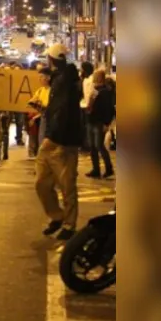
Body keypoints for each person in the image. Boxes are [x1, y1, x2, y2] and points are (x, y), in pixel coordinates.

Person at [36, 43, 83, 241]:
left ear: (51, 59)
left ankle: (69, 224)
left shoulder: (65, 81)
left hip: (63, 141)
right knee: (42, 183)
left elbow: (63, 112)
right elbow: (58, 110)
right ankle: (57, 216)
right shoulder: (60, 79)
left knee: (67, 185)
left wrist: (54, 135)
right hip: (53, 138)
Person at [85, 69, 116, 179]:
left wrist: (106, 123)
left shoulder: (105, 92)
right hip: (91, 120)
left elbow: (109, 109)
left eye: (95, 77)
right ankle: (96, 169)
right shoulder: (95, 90)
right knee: (93, 146)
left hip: (99, 122)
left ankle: (108, 168)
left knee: (99, 146)